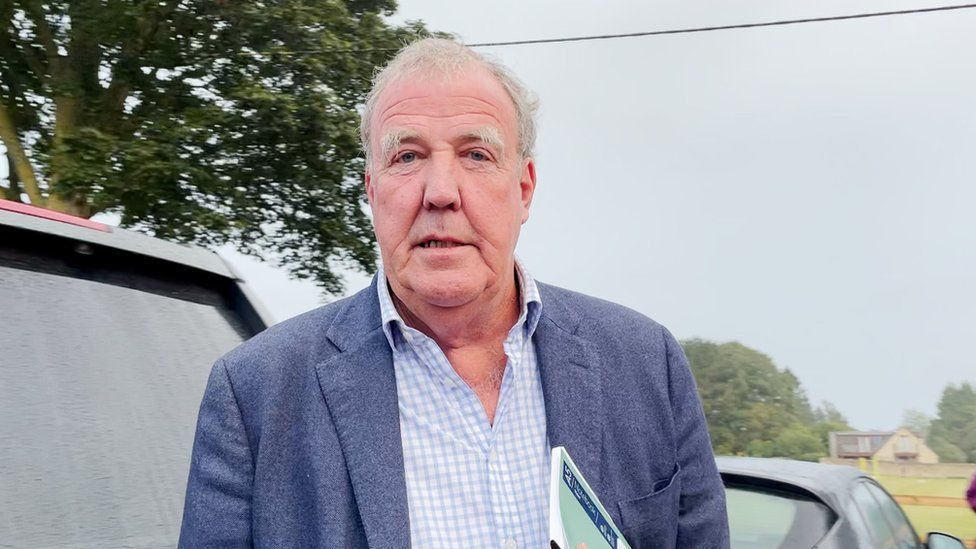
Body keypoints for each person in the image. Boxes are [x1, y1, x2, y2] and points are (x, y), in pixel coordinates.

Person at [179, 38, 728, 548]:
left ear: (524, 188)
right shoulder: (255, 396)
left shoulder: (646, 365)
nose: (441, 193)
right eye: (407, 157)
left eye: (476, 155)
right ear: (372, 191)